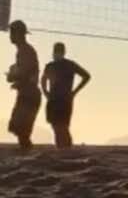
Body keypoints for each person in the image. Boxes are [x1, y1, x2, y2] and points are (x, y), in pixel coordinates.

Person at [40, 42, 91, 148]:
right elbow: (43, 80)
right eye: (56, 52)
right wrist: (46, 92)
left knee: (62, 127)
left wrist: (75, 92)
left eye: (58, 52)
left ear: (62, 53)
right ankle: (62, 150)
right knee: (57, 127)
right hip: (54, 100)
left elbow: (86, 76)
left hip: (63, 100)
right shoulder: (50, 66)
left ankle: (66, 150)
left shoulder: (69, 65)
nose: (56, 54)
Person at [5, 20, 41, 151]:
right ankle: (28, 156)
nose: (10, 36)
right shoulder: (23, 51)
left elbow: (25, 73)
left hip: (29, 96)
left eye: (12, 33)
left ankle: (29, 158)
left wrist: (13, 75)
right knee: (19, 130)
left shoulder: (25, 50)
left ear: (19, 34)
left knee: (21, 131)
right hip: (27, 94)